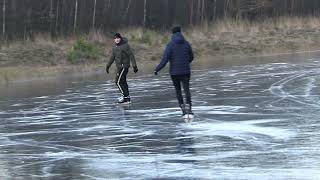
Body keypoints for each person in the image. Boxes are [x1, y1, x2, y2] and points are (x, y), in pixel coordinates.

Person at [154, 26, 194, 117]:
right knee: (187, 90)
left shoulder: (170, 45)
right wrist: (186, 63)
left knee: (178, 91)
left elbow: (165, 60)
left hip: (174, 73)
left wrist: (157, 69)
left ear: (172, 34)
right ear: (180, 32)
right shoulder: (186, 44)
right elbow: (191, 57)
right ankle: (190, 109)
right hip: (186, 71)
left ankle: (183, 110)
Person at [106, 33, 138, 104]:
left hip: (125, 66)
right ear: (114, 40)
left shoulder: (125, 46)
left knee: (118, 82)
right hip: (119, 68)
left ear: (120, 38)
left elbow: (131, 55)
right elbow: (112, 58)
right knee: (123, 82)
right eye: (115, 38)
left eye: (118, 38)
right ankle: (127, 98)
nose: (116, 39)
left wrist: (134, 66)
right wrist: (107, 66)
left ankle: (124, 97)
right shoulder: (115, 48)